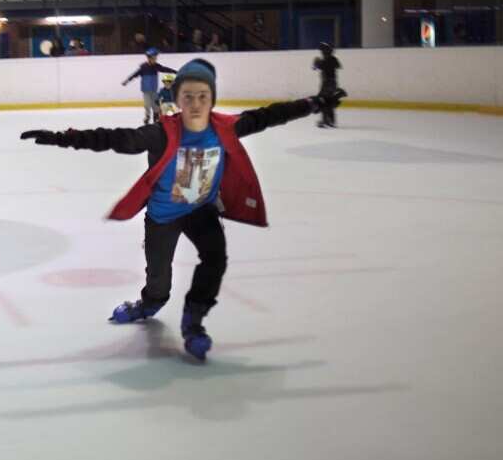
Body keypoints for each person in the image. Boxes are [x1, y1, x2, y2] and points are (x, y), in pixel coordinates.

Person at [20, 59, 346, 362]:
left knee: (215, 257)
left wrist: (316, 103)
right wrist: (62, 138)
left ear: (212, 100)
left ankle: (194, 320)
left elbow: (270, 115)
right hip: (162, 216)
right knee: (159, 278)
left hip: (200, 208)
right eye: (187, 96)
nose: (195, 103)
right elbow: (115, 139)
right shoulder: (163, 133)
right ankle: (149, 304)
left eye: (203, 96)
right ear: (177, 98)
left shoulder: (226, 128)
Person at [122, 48, 177, 124]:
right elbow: (135, 75)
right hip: (145, 90)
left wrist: (175, 71)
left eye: (156, 58)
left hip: (154, 90)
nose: (155, 60)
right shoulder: (143, 67)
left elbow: (165, 69)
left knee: (155, 105)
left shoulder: (156, 66)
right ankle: (147, 116)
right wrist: (127, 80)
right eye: (154, 58)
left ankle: (156, 116)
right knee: (147, 105)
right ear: (149, 58)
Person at [313, 42, 343, 128]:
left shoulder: (325, 60)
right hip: (333, 83)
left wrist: (316, 63)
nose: (321, 53)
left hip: (326, 83)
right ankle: (331, 121)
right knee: (329, 101)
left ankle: (326, 121)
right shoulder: (333, 59)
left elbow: (315, 67)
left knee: (323, 101)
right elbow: (338, 66)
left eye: (322, 51)